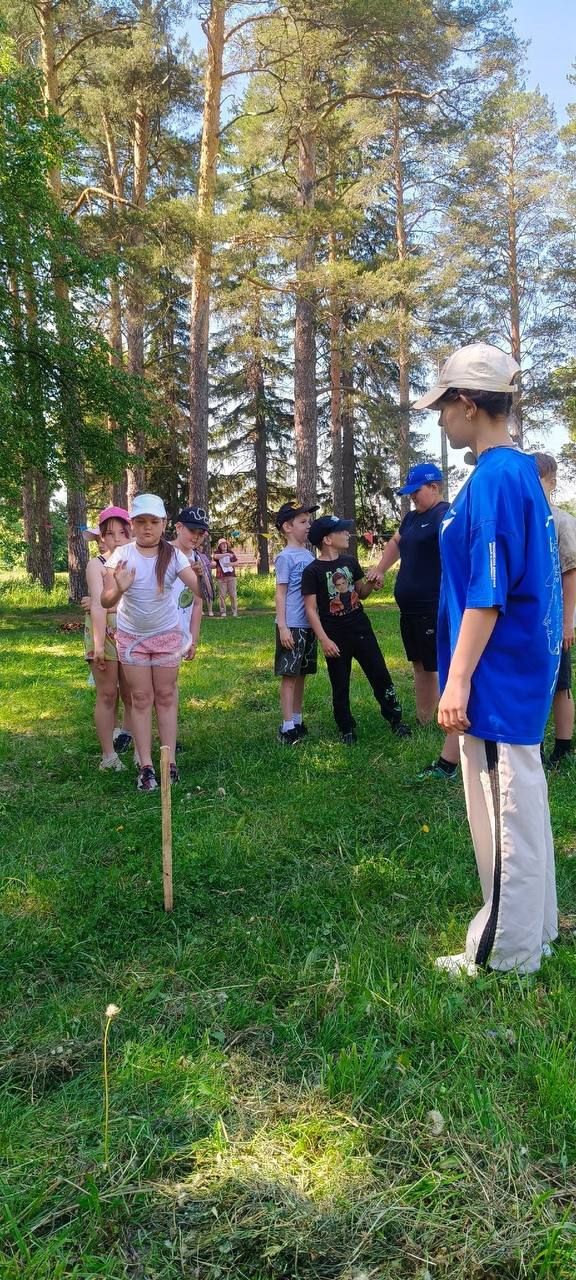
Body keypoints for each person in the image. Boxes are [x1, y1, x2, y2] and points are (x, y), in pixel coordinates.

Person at [413, 342, 562, 975]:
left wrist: (459, 681)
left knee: (503, 814)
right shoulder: (518, 470)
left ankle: (505, 953)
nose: (439, 420)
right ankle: (538, 930)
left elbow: (488, 593)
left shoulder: (498, 477)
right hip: (516, 674)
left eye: (443, 407)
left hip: (498, 679)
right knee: (522, 806)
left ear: (468, 404)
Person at [101, 494, 202, 792]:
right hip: (132, 638)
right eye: (141, 522)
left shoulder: (173, 555)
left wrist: (201, 577)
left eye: (154, 522)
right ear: (133, 525)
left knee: (167, 695)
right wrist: (118, 588)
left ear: (163, 524)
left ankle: (168, 762)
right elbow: (106, 600)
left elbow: (199, 592)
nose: (147, 528)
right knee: (141, 698)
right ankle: (146, 765)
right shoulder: (121, 555)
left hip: (167, 636)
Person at [366, 462, 460, 781]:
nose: (412, 499)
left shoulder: (446, 514)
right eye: (409, 494)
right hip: (409, 608)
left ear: (434, 487)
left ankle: (447, 723)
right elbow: (396, 542)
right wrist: (380, 568)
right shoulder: (411, 518)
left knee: (436, 665)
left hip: (433, 605)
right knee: (419, 664)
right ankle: (424, 720)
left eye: (416, 492)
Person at [301, 515, 411, 744]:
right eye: (341, 531)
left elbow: (361, 592)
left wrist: (371, 581)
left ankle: (395, 719)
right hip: (334, 635)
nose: (347, 534)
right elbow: (311, 610)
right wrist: (324, 640)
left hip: (361, 628)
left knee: (379, 673)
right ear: (327, 539)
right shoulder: (312, 571)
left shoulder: (350, 562)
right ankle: (346, 727)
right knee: (340, 682)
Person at [533, 452, 576, 768]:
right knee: (532, 683)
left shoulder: (562, 521)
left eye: (541, 481)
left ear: (551, 482)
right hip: (528, 621)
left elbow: (570, 574)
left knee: (561, 684)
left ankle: (563, 748)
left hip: (555, 621)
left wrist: (566, 623)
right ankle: (532, 746)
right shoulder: (526, 521)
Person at [83, 506, 133, 770]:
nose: (118, 538)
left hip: (133, 634)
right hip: (106, 635)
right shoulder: (97, 565)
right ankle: (108, 756)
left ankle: (139, 752)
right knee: (106, 694)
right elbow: (98, 606)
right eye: (111, 533)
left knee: (133, 694)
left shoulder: (135, 563)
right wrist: (100, 644)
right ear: (102, 537)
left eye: (124, 532)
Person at [274, 501, 319, 744]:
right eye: (303, 522)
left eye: (308, 521)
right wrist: (282, 627)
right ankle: (286, 725)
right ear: (287, 527)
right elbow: (280, 593)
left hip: (308, 624)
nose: (308, 526)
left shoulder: (308, 554)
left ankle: (298, 719)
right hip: (291, 624)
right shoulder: (284, 557)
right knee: (289, 676)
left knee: (302, 674)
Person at [171, 507, 212, 659]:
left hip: (180, 632)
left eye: (200, 534)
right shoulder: (163, 552)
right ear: (179, 527)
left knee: (170, 681)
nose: (196, 537)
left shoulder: (199, 560)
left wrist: (193, 641)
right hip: (157, 629)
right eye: (192, 531)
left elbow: (197, 603)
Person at [213, 538, 238, 617]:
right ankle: (223, 612)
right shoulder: (217, 553)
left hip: (231, 576)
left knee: (233, 595)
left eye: (225, 544)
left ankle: (234, 611)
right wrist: (226, 554)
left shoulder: (231, 552)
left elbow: (237, 562)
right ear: (219, 546)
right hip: (221, 577)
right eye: (222, 544)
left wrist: (230, 564)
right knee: (222, 595)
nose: (224, 545)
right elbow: (216, 557)